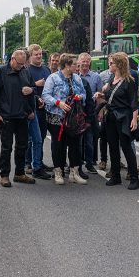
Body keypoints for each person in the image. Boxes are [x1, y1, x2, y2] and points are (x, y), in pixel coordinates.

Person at [0, 49, 37, 187]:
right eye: (19, 64)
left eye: (23, 64)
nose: (21, 67)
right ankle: (4, 176)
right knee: (6, 148)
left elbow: (34, 89)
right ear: (12, 59)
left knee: (22, 145)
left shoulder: (25, 71)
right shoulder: (1, 71)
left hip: (22, 115)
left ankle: (19, 173)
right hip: (6, 116)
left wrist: (31, 91)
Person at [41, 53, 87, 186]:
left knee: (75, 145)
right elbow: (45, 95)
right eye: (74, 64)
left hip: (75, 118)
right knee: (58, 145)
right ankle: (59, 173)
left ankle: (74, 173)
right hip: (57, 118)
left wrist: (80, 97)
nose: (77, 67)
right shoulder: (53, 78)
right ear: (67, 65)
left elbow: (84, 93)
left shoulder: (77, 78)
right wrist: (58, 103)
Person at [99, 52, 139, 189]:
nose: (109, 65)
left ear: (119, 65)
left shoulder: (129, 81)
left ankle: (134, 178)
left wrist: (134, 119)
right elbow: (109, 96)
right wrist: (100, 94)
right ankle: (116, 176)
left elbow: (134, 102)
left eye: (112, 63)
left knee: (127, 147)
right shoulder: (111, 79)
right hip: (110, 116)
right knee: (113, 146)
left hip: (123, 117)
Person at [25, 44, 53, 180]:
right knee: (31, 139)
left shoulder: (46, 69)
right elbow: (24, 89)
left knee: (40, 138)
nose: (39, 56)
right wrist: (36, 85)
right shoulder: (27, 70)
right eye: (36, 54)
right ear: (30, 56)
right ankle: (28, 164)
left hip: (45, 108)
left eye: (40, 54)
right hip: (32, 108)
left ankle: (39, 162)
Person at [77, 53, 103, 176]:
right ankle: (77, 163)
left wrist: (100, 112)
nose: (85, 63)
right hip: (76, 113)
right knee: (76, 140)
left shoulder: (96, 77)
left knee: (90, 139)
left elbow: (100, 96)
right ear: (78, 62)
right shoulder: (74, 76)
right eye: (83, 61)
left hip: (90, 112)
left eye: (87, 61)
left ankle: (89, 163)